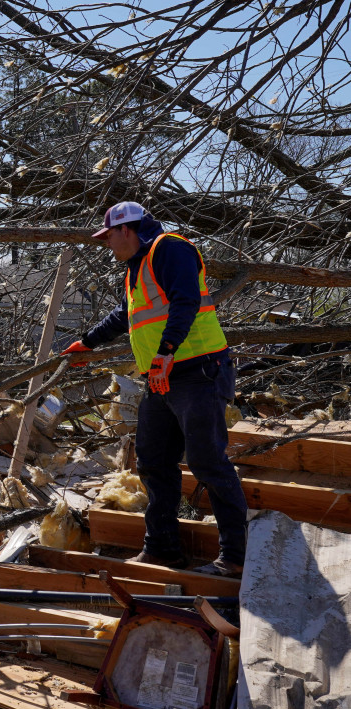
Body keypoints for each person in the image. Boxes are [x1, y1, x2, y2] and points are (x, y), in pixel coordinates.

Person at [62, 201, 247, 577]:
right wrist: (88, 342)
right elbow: (125, 316)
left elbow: (186, 302)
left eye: (109, 236)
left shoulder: (169, 248)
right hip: (163, 377)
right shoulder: (137, 268)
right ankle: (162, 549)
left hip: (198, 370)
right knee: (153, 461)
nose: (107, 245)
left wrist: (165, 352)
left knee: (208, 461)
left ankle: (236, 557)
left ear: (126, 230)